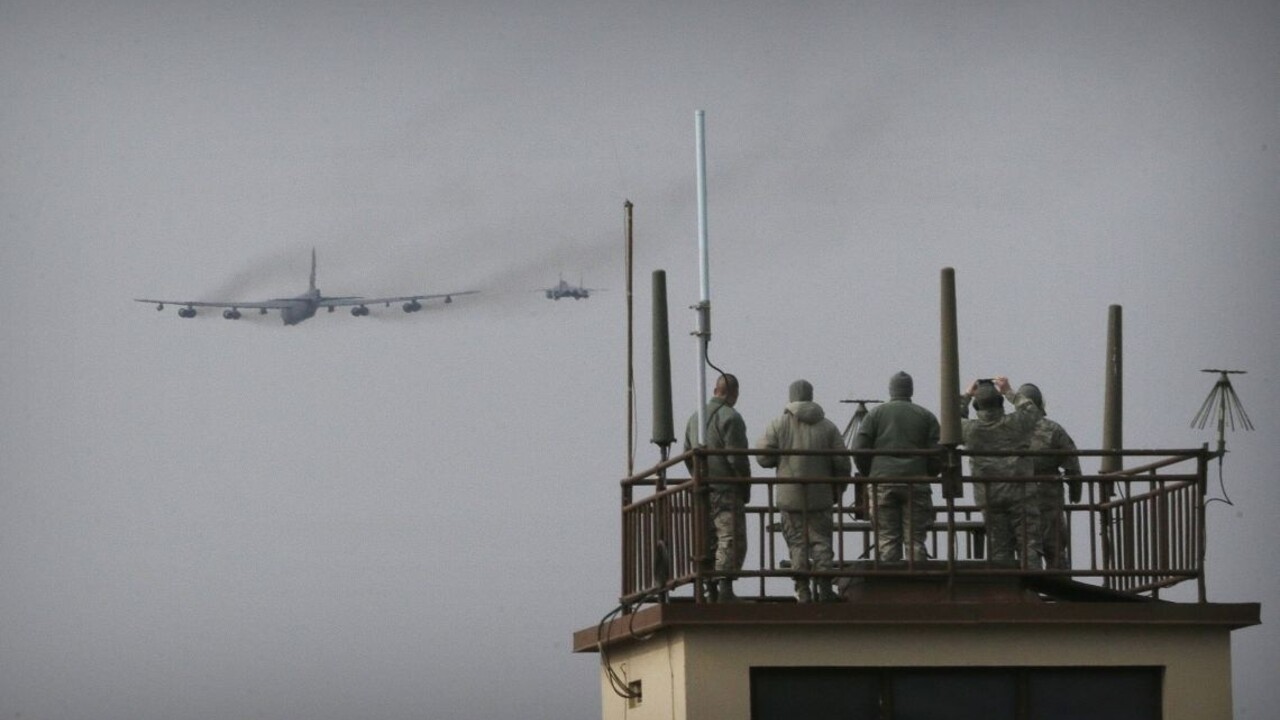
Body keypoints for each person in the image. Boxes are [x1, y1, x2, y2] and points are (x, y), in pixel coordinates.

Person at [757, 379, 852, 602]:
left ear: (791, 397)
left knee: (796, 542)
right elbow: (842, 463)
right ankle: (825, 588)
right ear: (811, 396)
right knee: (821, 541)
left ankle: (802, 590)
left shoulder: (778, 424)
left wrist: (777, 460)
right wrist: (839, 488)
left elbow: (762, 456)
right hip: (821, 495)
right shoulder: (828, 427)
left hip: (790, 496)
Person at [853, 371, 941, 562]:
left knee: (887, 538)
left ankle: (891, 575)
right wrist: (929, 473)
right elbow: (937, 453)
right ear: (911, 390)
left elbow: (859, 448)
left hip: (882, 481)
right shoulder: (926, 416)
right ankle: (918, 575)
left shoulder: (875, 414)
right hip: (917, 482)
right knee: (916, 539)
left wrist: (869, 473)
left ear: (891, 390)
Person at [959, 376, 1045, 567]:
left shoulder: (970, 430)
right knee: (1029, 545)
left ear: (977, 406)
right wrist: (1008, 391)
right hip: (1021, 493)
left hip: (989, 496)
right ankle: (1034, 580)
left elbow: (951, 421)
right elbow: (1033, 411)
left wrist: (966, 395)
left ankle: (1004, 582)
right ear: (1000, 403)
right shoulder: (1016, 423)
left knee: (999, 548)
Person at [684, 373, 751, 602]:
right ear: (734, 393)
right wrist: (744, 484)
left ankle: (710, 590)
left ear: (715, 391)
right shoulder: (731, 417)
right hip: (726, 488)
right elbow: (737, 458)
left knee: (709, 538)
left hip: (703, 489)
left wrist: (698, 477)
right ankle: (725, 589)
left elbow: (687, 453)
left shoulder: (695, 418)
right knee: (730, 536)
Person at [1018, 383, 1083, 570]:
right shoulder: (1053, 429)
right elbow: (1072, 464)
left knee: (1028, 549)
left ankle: (1030, 585)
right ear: (1040, 404)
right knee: (1055, 549)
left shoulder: (1010, 429)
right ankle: (1061, 584)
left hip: (1019, 496)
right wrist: (1075, 493)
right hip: (1049, 496)